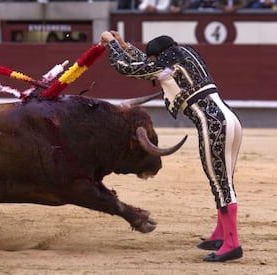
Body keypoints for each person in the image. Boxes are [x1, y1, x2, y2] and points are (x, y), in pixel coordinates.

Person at [99, 31, 243, 262]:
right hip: (231, 121)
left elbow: (127, 67)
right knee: (222, 181)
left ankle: (232, 243)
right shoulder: (186, 54)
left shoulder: (165, 64)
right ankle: (221, 234)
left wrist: (112, 44)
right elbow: (149, 65)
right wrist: (126, 45)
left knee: (221, 183)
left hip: (213, 124)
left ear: (159, 56)